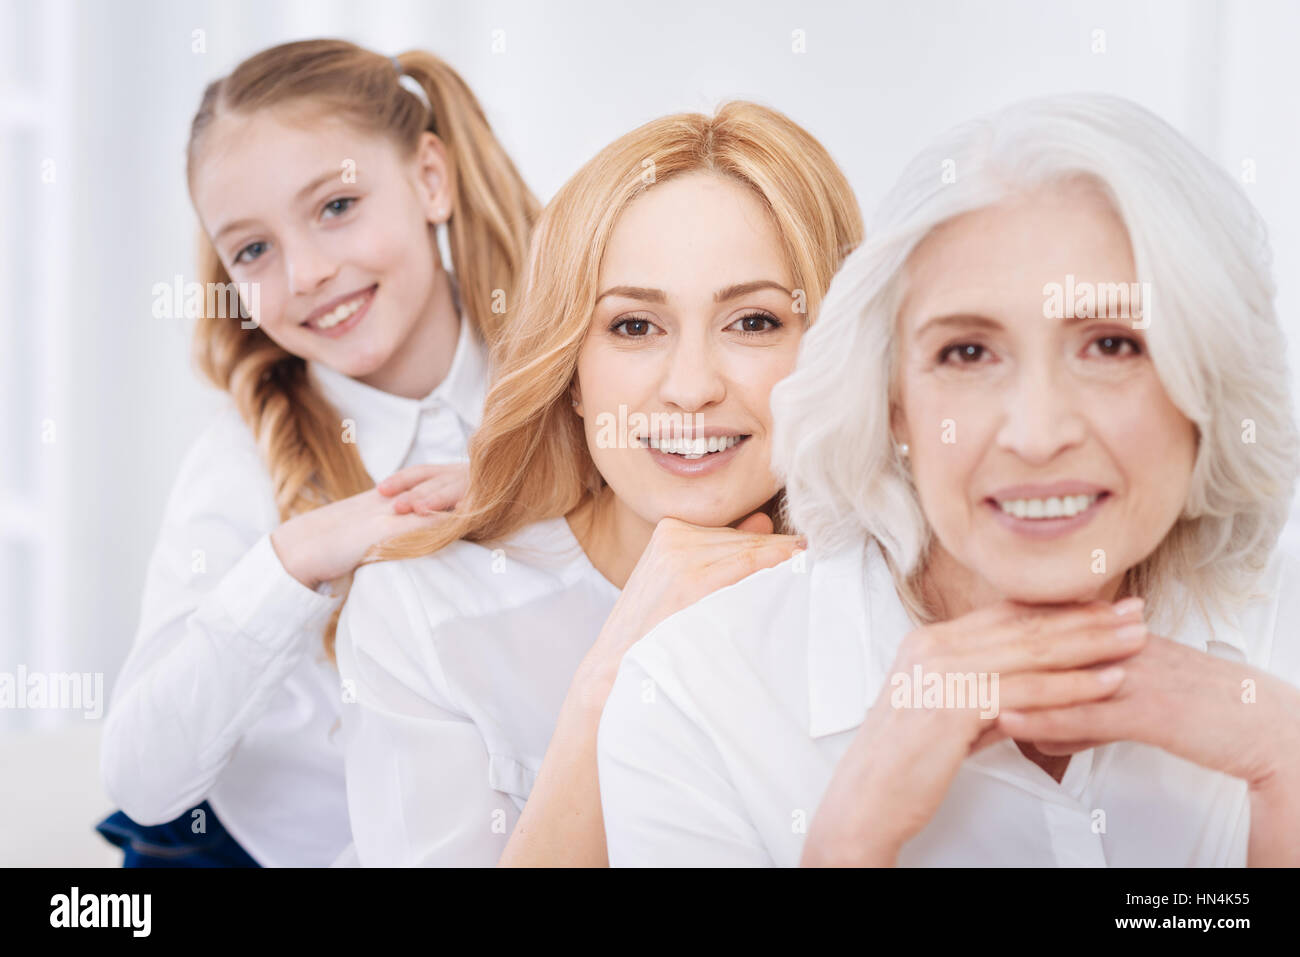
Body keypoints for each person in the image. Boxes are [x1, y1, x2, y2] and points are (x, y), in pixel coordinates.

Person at [597, 93, 1300, 867]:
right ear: (893, 402)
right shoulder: (698, 700)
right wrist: (850, 839)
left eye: (1110, 346)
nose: (1036, 435)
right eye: (968, 354)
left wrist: (1283, 766)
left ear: (1206, 386)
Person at [335, 101, 863, 865]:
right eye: (634, 327)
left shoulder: (891, 590)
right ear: (572, 374)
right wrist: (611, 672)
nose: (690, 388)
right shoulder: (424, 610)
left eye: (753, 322)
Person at [98, 38, 539, 867]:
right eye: (254, 249)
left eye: (336, 206)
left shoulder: (574, 387)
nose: (305, 272)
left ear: (430, 179)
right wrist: (297, 557)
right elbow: (140, 776)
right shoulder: (242, 459)